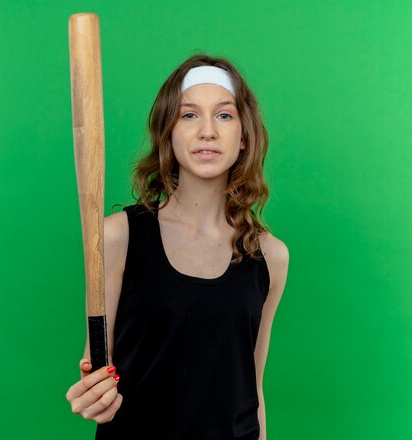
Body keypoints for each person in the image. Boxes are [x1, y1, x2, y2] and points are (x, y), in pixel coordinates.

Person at [65, 51, 289, 440]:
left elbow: (252, 390)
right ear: (168, 133)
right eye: (189, 115)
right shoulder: (117, 238)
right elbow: (96, 363)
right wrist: (93, 395)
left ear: (243, 138)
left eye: (224, 115)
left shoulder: (270, 256)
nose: (207, 130)